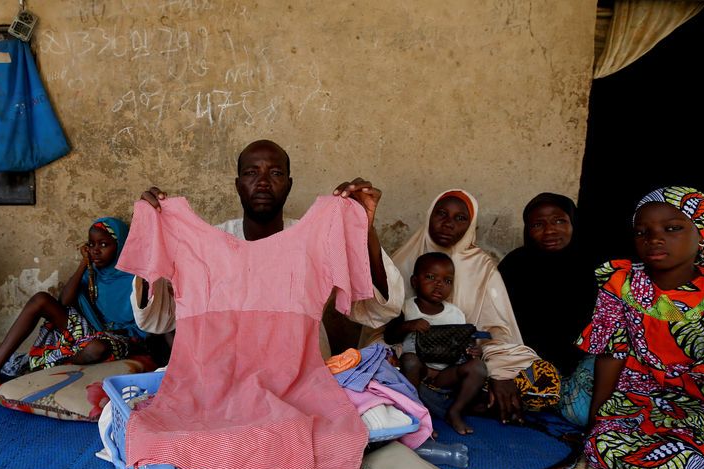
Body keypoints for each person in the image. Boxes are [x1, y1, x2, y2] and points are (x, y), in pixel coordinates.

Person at [132, 139, 404, 357]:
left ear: (289, 184)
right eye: (251, 173)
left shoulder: (318, 242)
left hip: (303, 372)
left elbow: (381, 311)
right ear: (238, 185)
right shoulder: (206, 246)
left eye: (275, 173)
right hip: (221, 375)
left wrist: (363, 229)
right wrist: (151, 234)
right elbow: (156, 321)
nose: (262, 181)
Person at [578, 186, 704, 469]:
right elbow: (612, 354)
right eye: (642, 232)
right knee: (600, 446)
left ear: (702, 234)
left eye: (672, 229)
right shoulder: (622, 282)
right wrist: (595, 422)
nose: (654, 238)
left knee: (683, 464)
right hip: (641, 395)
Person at [386, 190, 559, 425]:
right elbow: (381, 327)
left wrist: (498, 370)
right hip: (411, 365)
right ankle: (437, 406)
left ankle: (454, 404)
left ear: (471, 225)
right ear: (429, 215)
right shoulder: (403, 259)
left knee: (542, 380)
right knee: (377, 366)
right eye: (442, 214)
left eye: (460, 218)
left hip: (456, 369)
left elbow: (498, 330)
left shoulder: (482, 266)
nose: (448, 224)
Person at [0, 217, 146, 392]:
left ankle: (49, 366)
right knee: (41, 299)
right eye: (91, 245)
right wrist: (83, 264)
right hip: (87, 331)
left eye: (104, 245)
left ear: (121, 246)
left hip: (118, 339)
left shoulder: (136, 278)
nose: (95, 251)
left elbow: (145, 324)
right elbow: (64, 302)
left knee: (95, 348)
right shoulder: (91, 272)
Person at [498, 193, 597, 426]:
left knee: (585, 414)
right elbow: (496, 321)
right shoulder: (515, 265)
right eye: (538, 224)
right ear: (527, 230)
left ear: (573, 223)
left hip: (579, 363)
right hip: (526, 361)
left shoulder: (593, 267)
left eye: (559, 221)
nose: (550, 230)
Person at [386, 252, 486, 434]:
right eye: (431, 277)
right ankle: (416, 413)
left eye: (447, 281)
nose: (439, 284)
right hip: (418, 372)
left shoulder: (455, 313)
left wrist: (472, 351)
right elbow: (389, 336)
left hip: (445, 374)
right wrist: (409, 325)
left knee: (478, 367)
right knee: (409, 359)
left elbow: (462, 345)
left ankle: (455, 411)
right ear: (414, 282)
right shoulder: (407, 308)